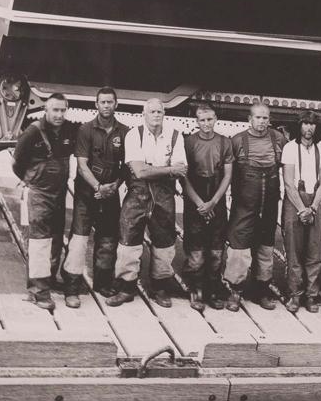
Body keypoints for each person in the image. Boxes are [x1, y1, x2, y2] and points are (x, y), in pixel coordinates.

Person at [107, 99, 186, 308]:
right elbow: (139, 171)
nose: (156, 115)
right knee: (128, 241)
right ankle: (126, 287)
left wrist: (151, 169)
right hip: (137, 194)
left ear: (164, 113)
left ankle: (160, 288)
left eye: (160, 111)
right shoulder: (134, 134)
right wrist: (167, 170)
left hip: (164, 196)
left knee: (165, 243)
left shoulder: (175, 136)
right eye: (152, 111)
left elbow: (181, 169)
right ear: (144, 113)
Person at [61, 88, 128, 307]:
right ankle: (71, 286)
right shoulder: (85, 130)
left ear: (116, 104)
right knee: (79, 241)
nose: (106, 106)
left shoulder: (125, 132)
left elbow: (126, 167)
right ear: (96, 105)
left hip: (110, 193)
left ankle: (102, 283)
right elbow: (81, 165)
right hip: (86, 194)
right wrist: (98, 186)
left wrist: (113, 187)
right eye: (102, 102)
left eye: (110, 102)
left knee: (108, 241)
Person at [11, 92, 76, 312]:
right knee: (39, 241)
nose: (59, 114)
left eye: (62, 110)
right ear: (45, 110)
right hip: (39, 193)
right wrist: (32, 181)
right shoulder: (32, 132)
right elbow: (17, 163)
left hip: (58, 193)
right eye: (55, 110)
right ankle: (38, 291)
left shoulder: (68, 130)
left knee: (56, 237)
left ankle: (48, 278)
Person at [224, 102, 286, 311]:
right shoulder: (237, 141)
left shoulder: (278, 139)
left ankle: (262, 289)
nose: (262, 122)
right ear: (249, 119)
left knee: (266, 247)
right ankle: (235, 290)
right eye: (258, 118)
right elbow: (228, 173)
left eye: (265, 118)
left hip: (268, 203)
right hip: (244, 203)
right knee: (239, 247)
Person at [181, 103, 233, 312]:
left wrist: (213, 202)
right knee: (196, 250)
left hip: (216, 195)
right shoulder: (189, 142)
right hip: (196, 196)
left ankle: (213, 288)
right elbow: (183, 177)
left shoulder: (224, 142)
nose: (206, 124)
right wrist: (199, 203)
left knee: (215, 250)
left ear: (215, 119)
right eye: (202, 120)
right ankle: (196, 288)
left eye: (210, 119)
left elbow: (228, 175)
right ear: (196, 121)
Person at [281, 110, 321, 314]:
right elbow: (288, 182)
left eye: (312, 124)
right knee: (294, 250)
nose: (309, 128)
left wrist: (313, 207)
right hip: (295, 201)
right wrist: (302, 209)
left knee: (314, 251)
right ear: (299, 126)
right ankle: (294, 295)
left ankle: (311, 295)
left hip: (316, 201)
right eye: (305, 123)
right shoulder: (290, 148)